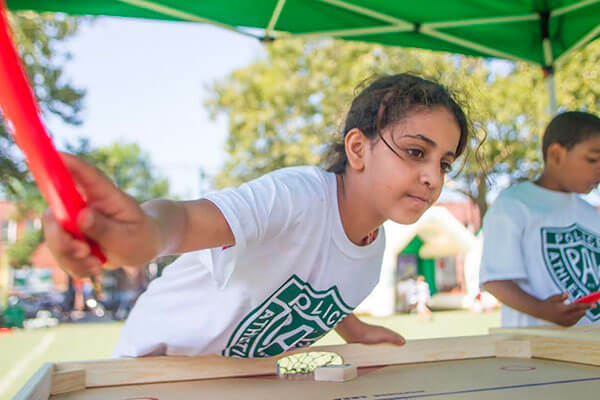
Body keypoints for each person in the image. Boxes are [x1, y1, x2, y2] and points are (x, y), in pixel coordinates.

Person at [43, 73, 470, 358]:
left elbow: (318, 276)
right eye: (416, 152)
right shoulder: (296, 195)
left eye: (445, 164)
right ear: (358, 149)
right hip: (152, 375)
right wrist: (142, 235)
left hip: (235, 385)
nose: (433, 177)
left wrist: (355, 331)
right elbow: (186, 222)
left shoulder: (371, 256)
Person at [480, 111, 600, 328]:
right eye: (593, 159)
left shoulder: (592, 215)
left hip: (590, 349)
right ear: (556, 154)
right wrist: (543, 310)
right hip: (533, 352)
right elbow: (495, 280)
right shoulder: (513, 204)